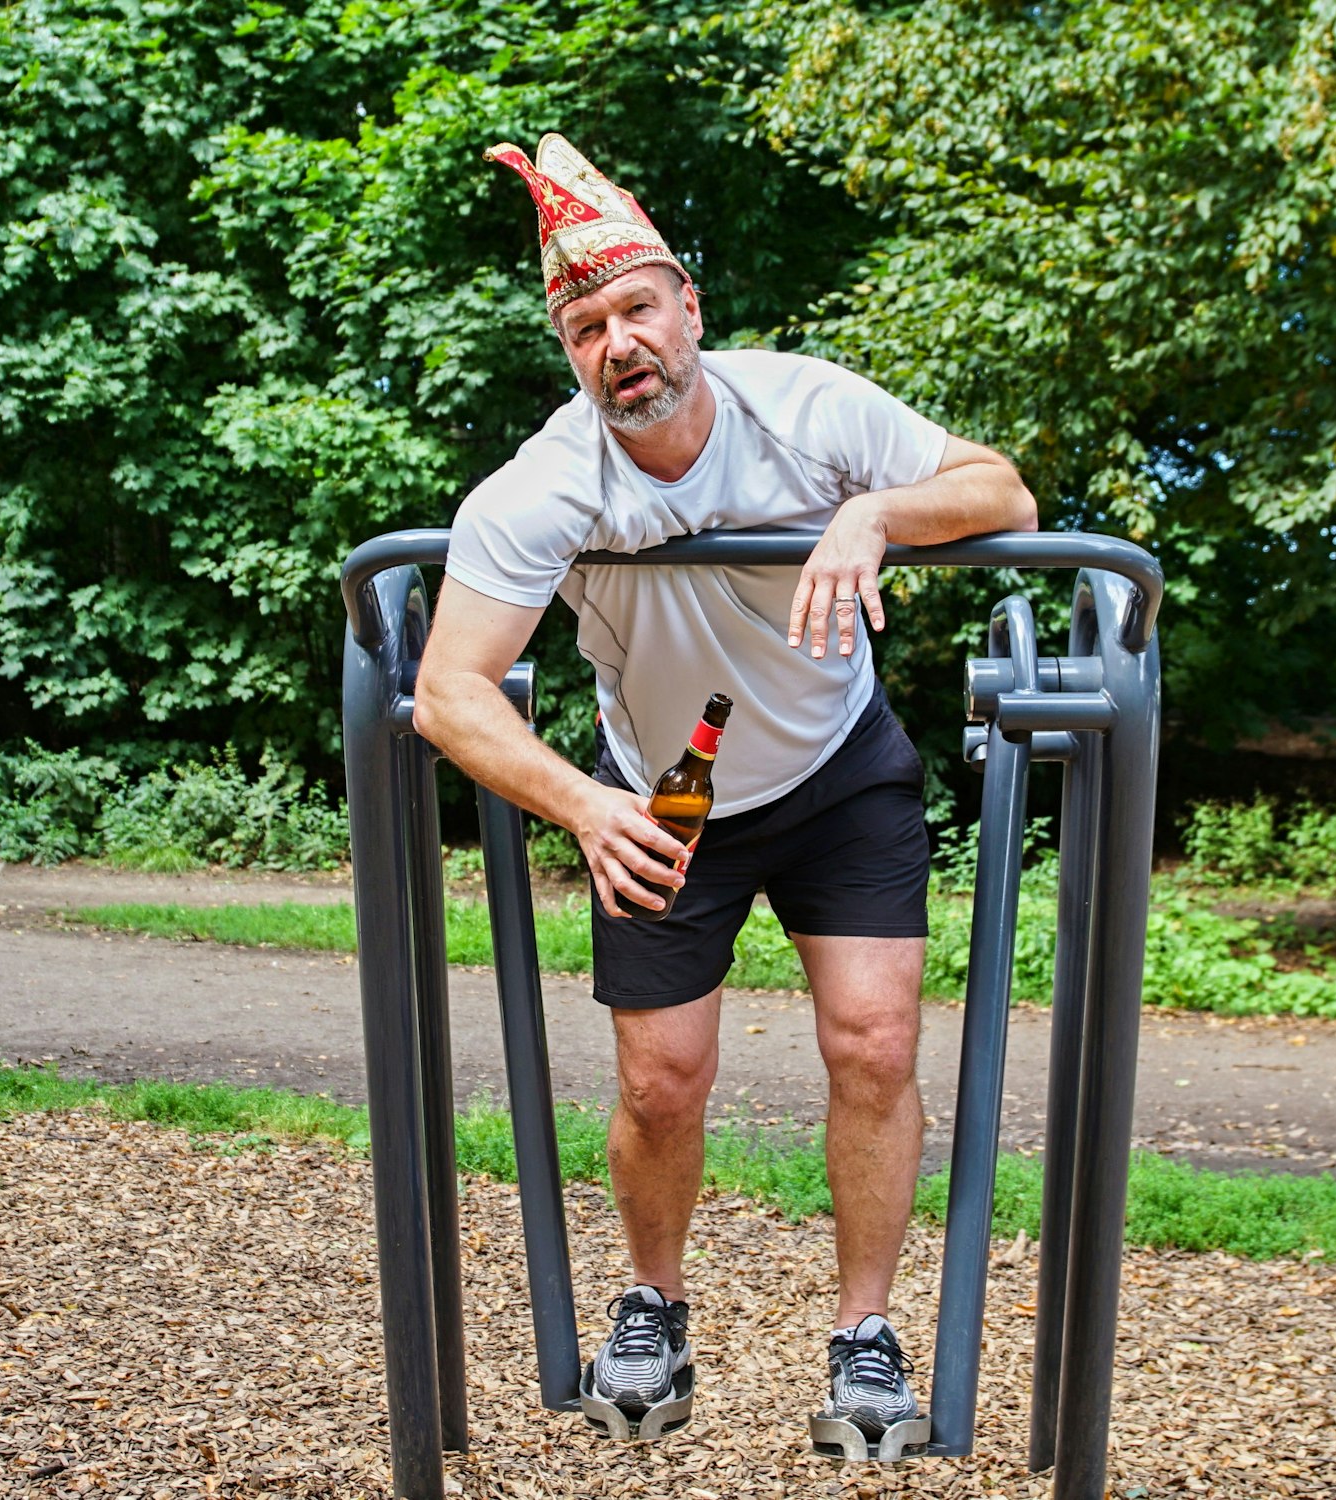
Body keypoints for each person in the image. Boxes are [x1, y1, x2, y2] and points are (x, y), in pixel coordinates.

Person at [411, 133, 1036, 1449]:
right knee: (662, 1083)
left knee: (874, 1045)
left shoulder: (805, 408)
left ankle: (865, 1335)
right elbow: (448, 691)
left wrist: (875, 516)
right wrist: (586, 807)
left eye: (637, 307)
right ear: (570, 355)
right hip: (664, 796)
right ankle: (653, 1302)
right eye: (586, 327)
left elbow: (1004, 492)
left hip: (836, 767)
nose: (619, 342)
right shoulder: (550, 483)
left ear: (687, 307)